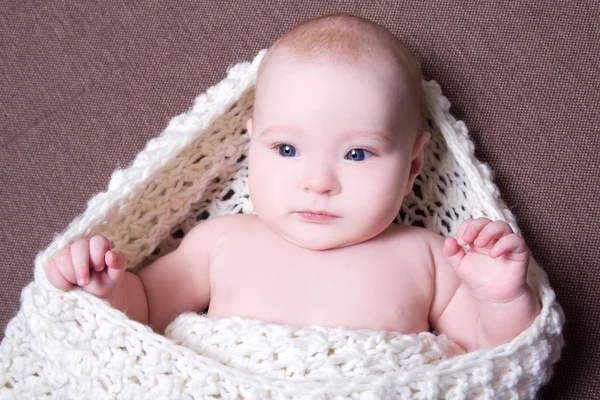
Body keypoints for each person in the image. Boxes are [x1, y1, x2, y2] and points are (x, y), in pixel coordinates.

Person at [44, 13, 540, 352]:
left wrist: (500, 298)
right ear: (250, 145)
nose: (318, 182)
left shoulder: (427, 258)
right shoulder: (221, 242)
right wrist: (105, 290)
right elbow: (146, 310)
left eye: (357, 153)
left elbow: (492, 353)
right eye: (286, 150)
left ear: (413, 165)